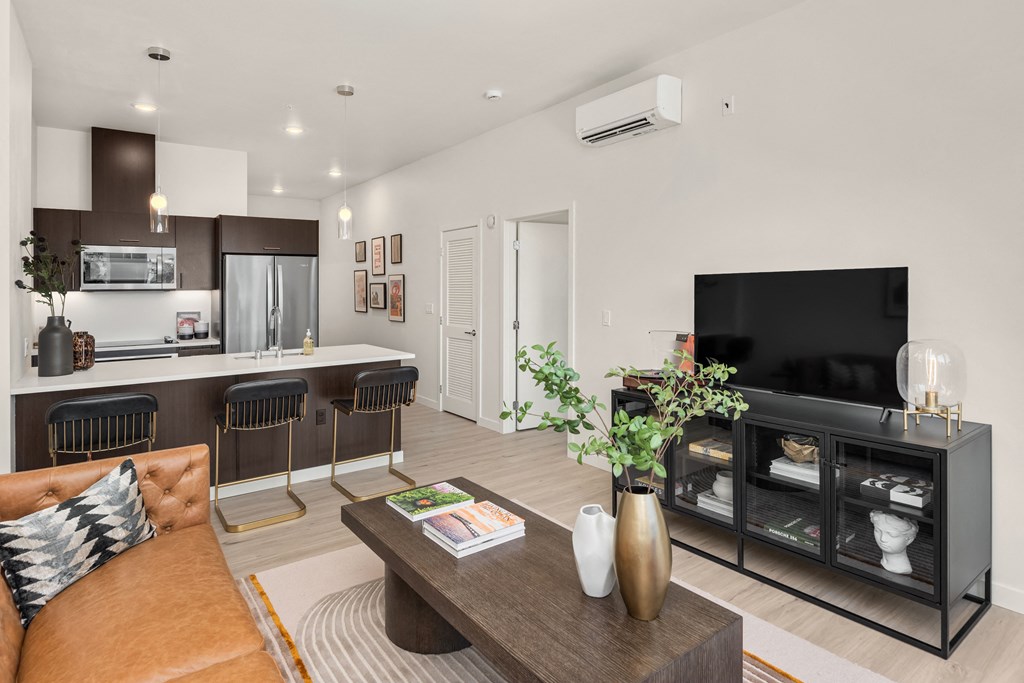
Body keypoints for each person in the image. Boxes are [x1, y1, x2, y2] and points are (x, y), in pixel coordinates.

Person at [869, 510, 918, 575]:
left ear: (909, 539)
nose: (882, 539)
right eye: (877, 531)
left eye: (892, 535)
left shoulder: (903, 568)